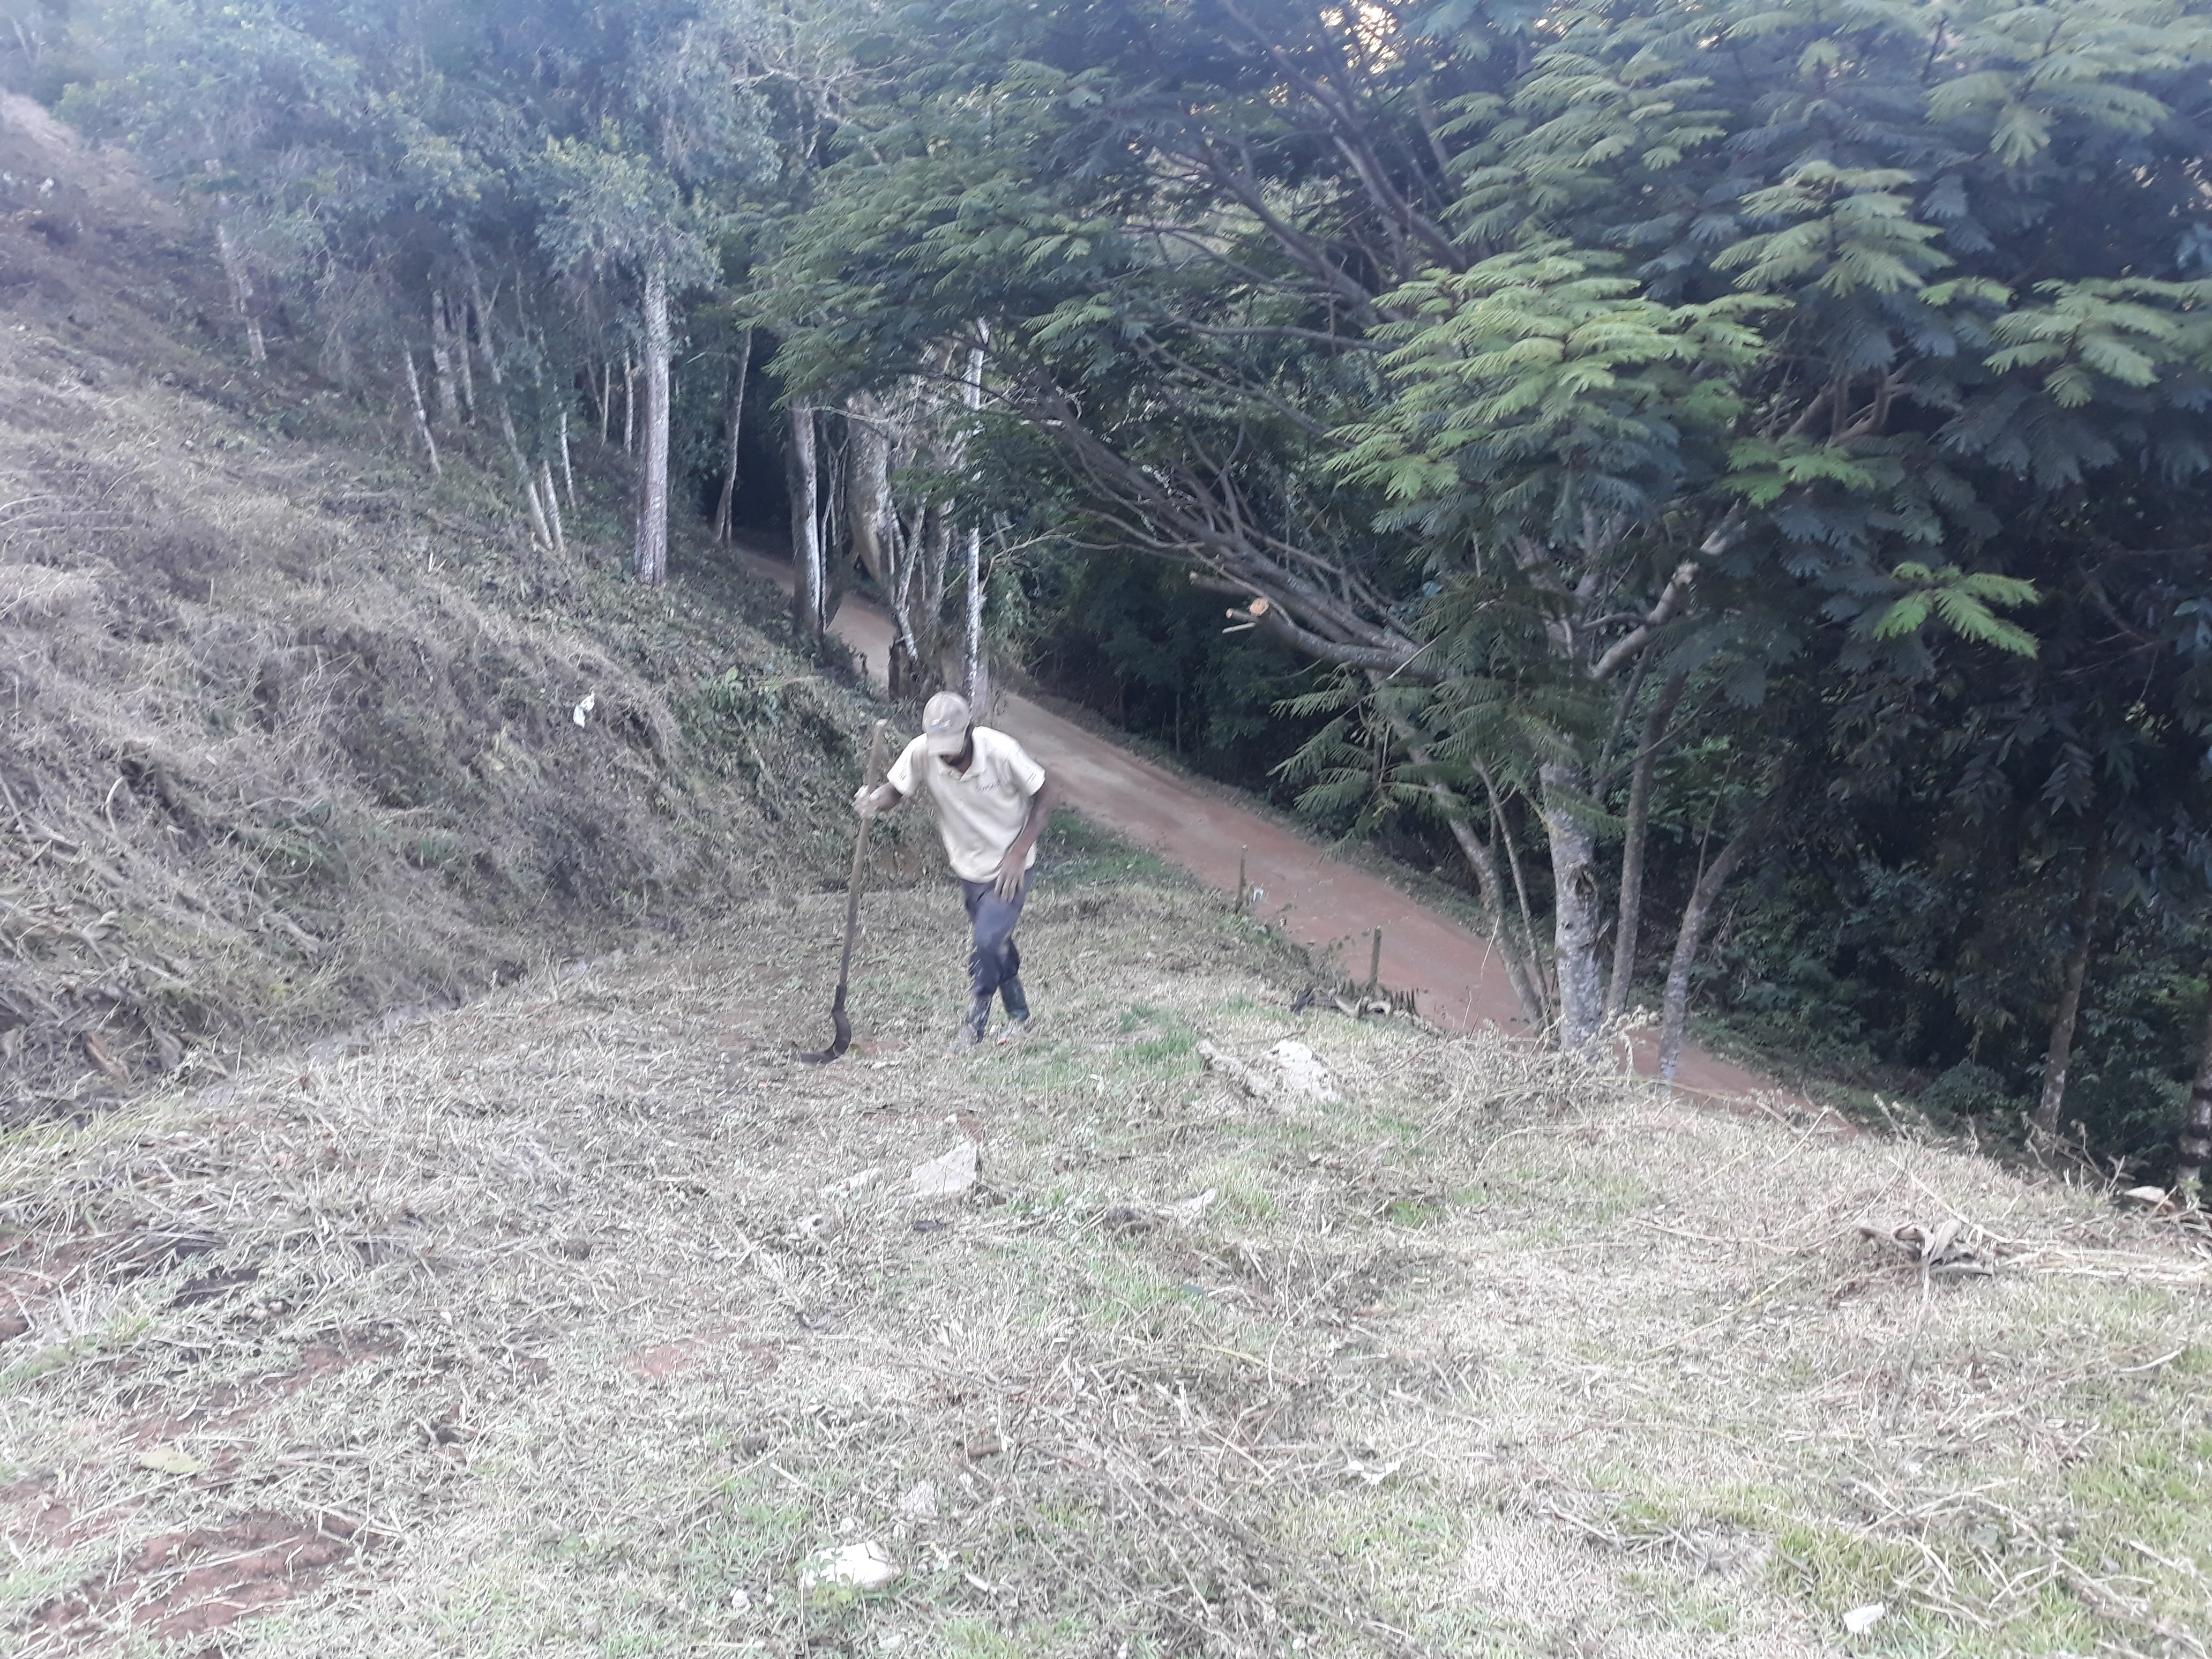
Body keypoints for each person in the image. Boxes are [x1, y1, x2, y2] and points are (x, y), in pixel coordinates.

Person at [854, 691, 1057, 1048]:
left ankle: (973, 1026)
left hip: (1011, 867)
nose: (945, 755)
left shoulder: (1001, 752)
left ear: (970, 731)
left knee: (987, 940)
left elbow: (1047, 795)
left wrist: (1019, 852)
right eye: (939, 747)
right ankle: (1020, 1017)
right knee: (995, 942)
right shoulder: (922, 751)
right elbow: (895, 790)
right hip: (968, 867)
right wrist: (873, 802)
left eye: (952, 745)